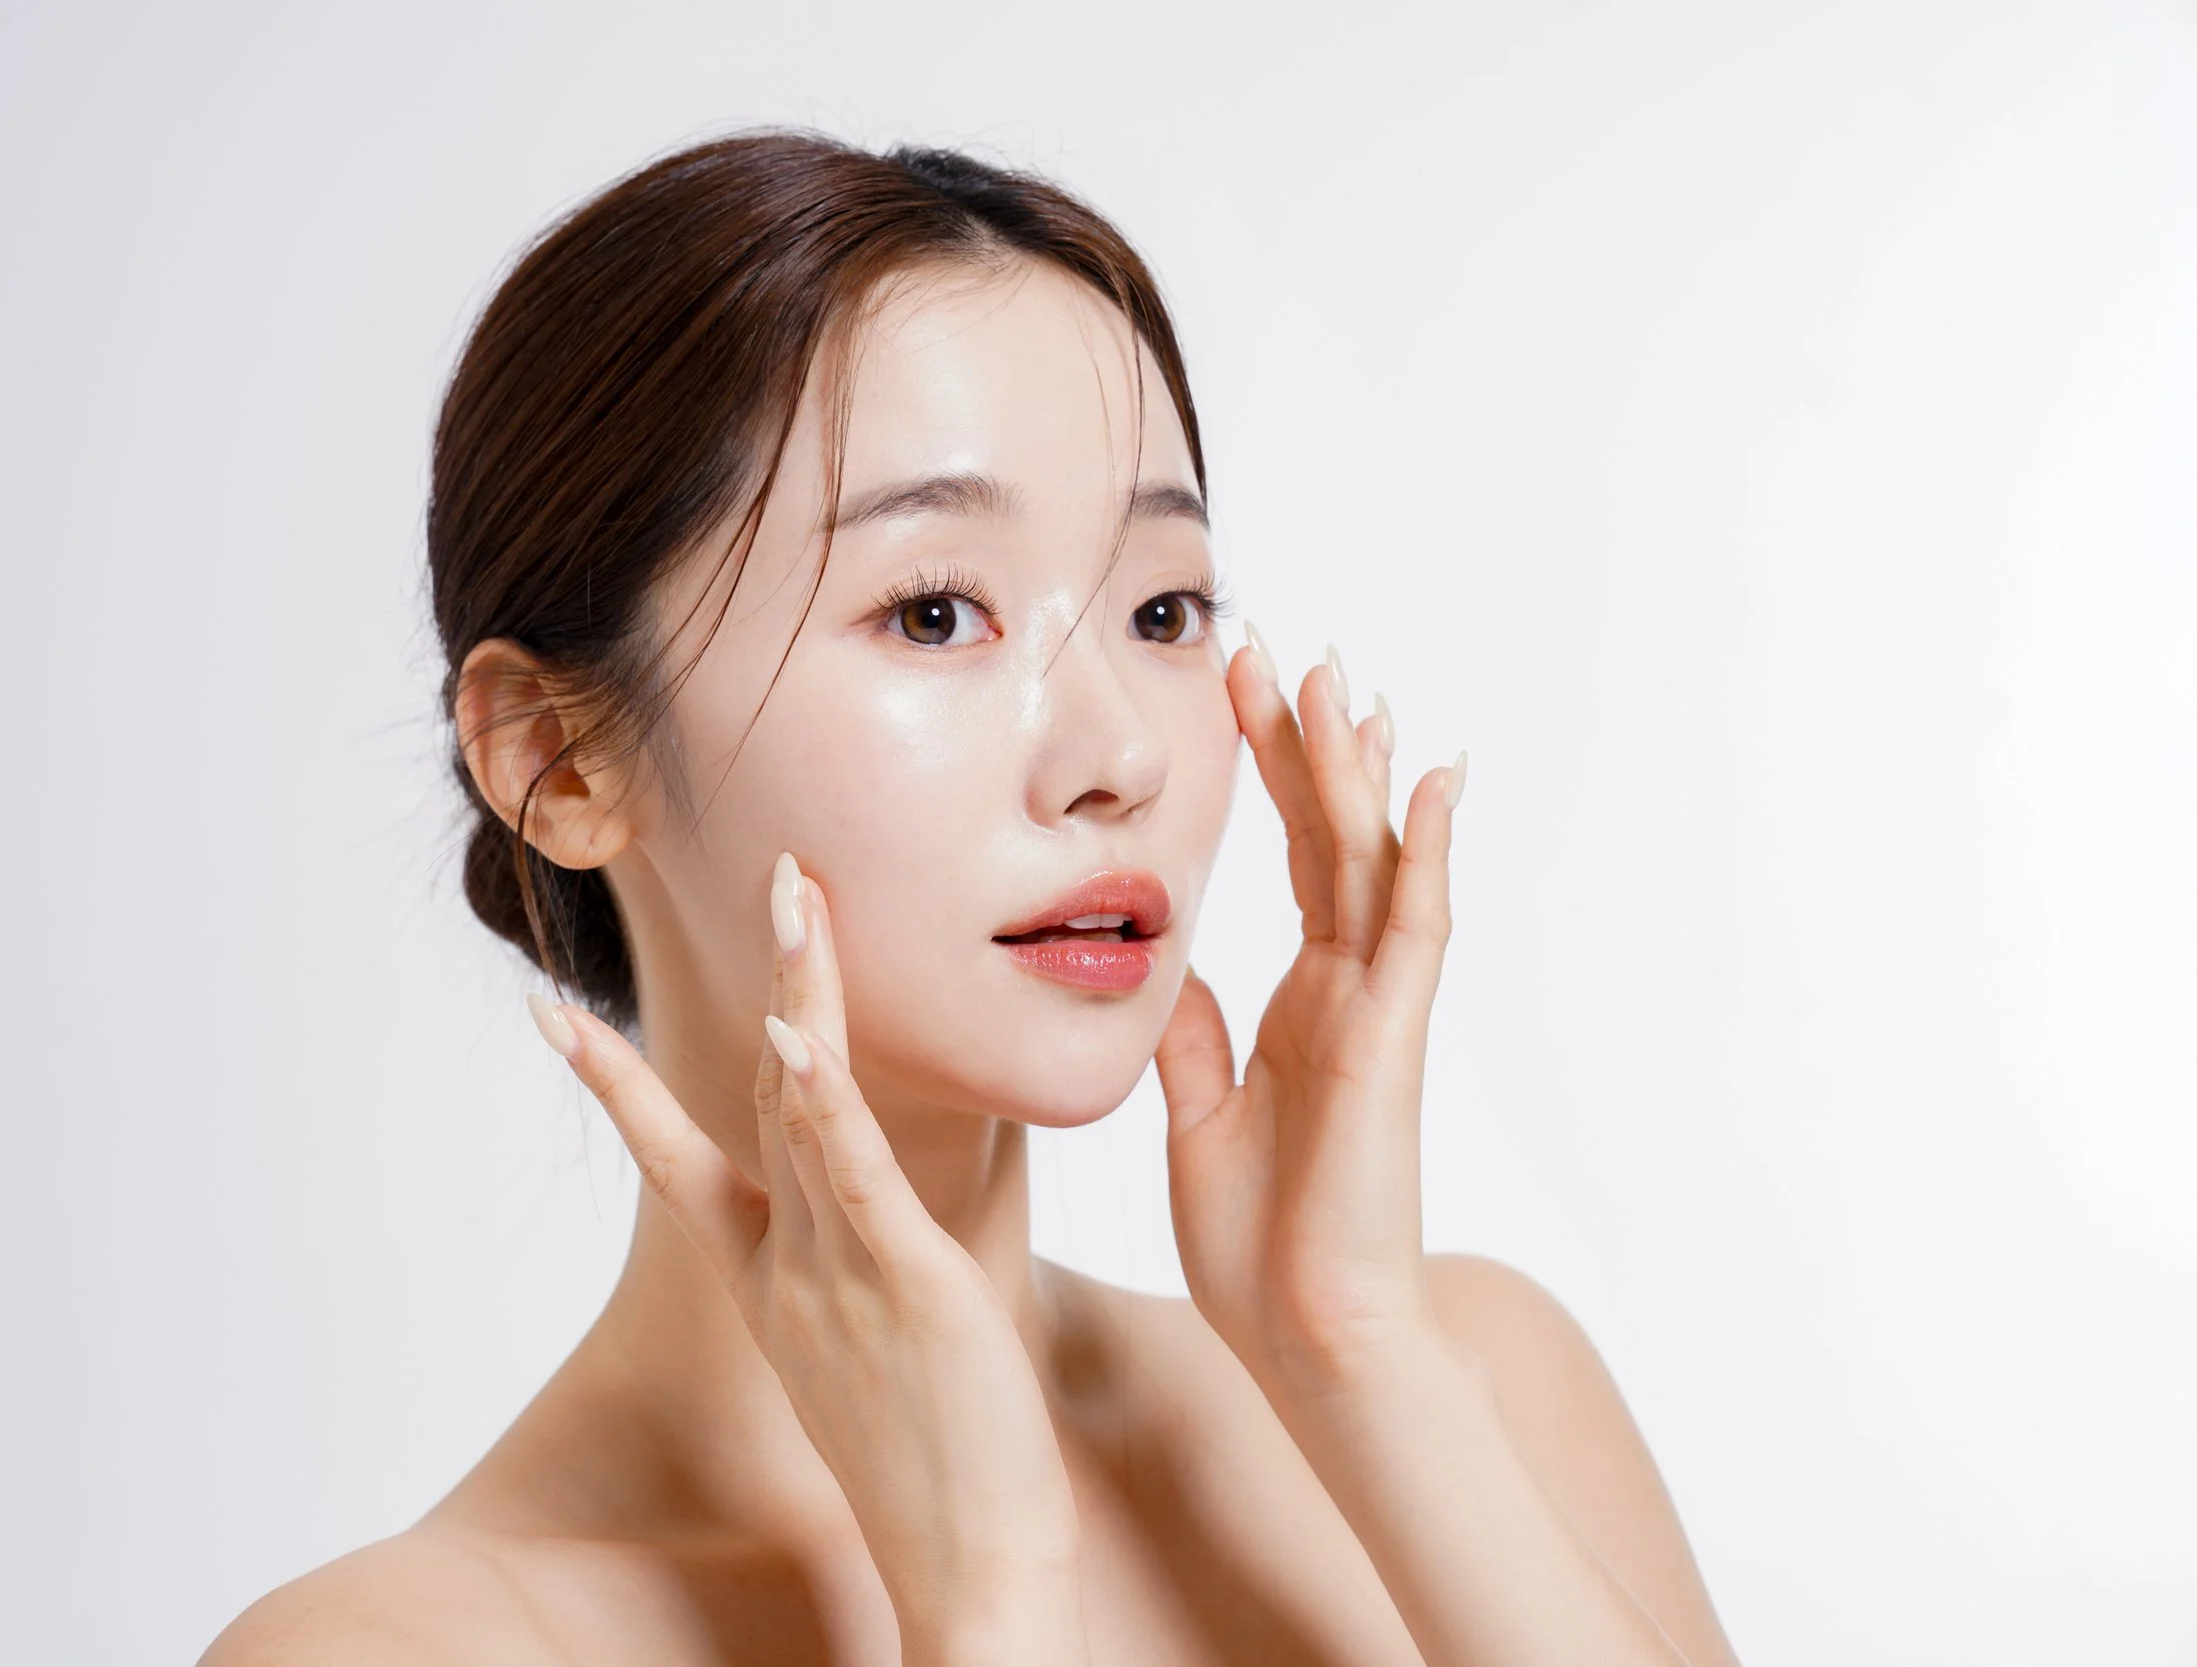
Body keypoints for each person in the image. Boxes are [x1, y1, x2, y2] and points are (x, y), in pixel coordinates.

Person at [203, 129, 1738, 1666]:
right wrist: (987, 1601)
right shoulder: (398, 1645)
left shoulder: (1469, 1385)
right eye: (936, 613)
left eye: (1163, 609)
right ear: (559, 756)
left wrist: (1357, 1352)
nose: (1120, 752)